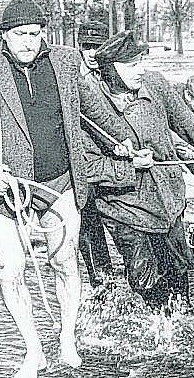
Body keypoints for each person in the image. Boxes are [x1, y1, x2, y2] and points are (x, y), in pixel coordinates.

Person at [0, 0, 86, 377]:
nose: (29, 42)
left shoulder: (65, 62)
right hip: (11, 190)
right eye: (20, 34)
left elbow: (93, 111)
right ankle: (34, 350)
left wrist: (125, 140)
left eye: (35, 33)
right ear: (4, 36)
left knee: (64, 263)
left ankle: (67, 341)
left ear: (44, 33)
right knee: (10, 269)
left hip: (60, 184)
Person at [79, 30, 194, 310]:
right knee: (146, 278)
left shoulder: (154, 84)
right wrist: (127, 165)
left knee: (180, 270)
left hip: (168, 199)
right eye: (132, 65)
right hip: (124, 206)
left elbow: (186, 123)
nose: (140, 70)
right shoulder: (88, 103)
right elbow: (87, 166)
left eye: (141, 61)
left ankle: (181, 324)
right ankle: (155, 330)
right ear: (109, 69)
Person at [75, 21, 115, 288]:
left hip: (113, 160)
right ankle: (102, 284)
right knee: (88, 227)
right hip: (84, 164)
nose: (91, 53)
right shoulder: (72, 79)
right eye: (86, 47)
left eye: (96, 46)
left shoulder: (116, 77)